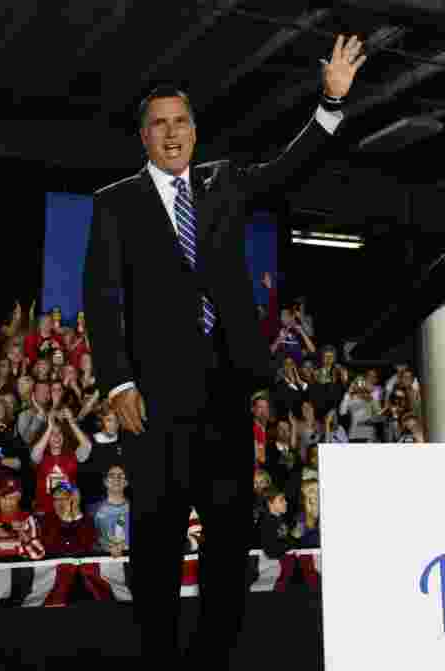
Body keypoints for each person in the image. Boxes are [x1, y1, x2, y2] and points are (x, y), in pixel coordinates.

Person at [81, 33, 366, 668]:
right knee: (155, 545)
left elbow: (291, 166)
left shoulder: (227, 182)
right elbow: (102, 300)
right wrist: (118, 383)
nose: (172, 133)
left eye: (181, 122)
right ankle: (159, 654)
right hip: (152, 404)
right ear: (144, 138)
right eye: (159, 125)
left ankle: (215, 656)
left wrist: (331, 102)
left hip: (228, 394)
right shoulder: (115, 204)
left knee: (228, 541)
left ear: (195, 131)